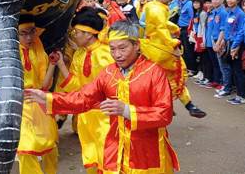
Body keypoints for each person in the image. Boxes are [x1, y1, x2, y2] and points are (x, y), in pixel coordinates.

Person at [25, 21, 179, 173]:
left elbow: (164, 114)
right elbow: (83, 98)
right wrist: (48, 99)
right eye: (112, 49)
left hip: (146, 152)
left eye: (122, 48)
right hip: (115, 148)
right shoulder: (109, 73)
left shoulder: (154, 73)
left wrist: (127, 111)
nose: (117, 54)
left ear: (137, 45)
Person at [0, 16, 57, 174]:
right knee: (26, 148)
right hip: (16, 107)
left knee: (49, 146)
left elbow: (45, 85)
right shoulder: (6, 54)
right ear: (14, 35)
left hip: (39, 105)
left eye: (32, 32)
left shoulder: (40, 52)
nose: (29, 37)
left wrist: (52, 65)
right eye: (23, 33)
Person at [55, 9, 113, 173]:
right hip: (86, 117)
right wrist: (60, 63)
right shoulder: (79, 55)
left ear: (89, 34)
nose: (74, 35)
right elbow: (76, 87)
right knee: (91, 158)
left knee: (108, 159)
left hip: (106, 116)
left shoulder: (107, 54)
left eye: (77, 32)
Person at [141, 0, 206, 118]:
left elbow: (160, 24)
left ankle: (171, 105)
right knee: (176, 76)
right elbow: (161, 28)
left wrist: (174, 28)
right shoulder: (156, 9)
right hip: (161, 50)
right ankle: (183, 105)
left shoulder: (151, 6)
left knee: (163, 80)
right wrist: (174, 43)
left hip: (152, 48)